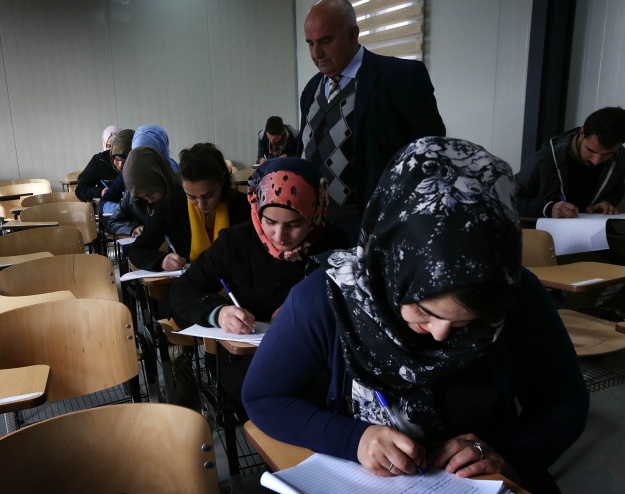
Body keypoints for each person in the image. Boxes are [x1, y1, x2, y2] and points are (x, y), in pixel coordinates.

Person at [242, 137, 589, 494]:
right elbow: (264, 397)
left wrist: (507, 454)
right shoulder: (328, 297)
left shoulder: (514, 292)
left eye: (466, 324)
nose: (440, 335)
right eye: (423, 311)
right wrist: (355, 438)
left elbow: (566, 400)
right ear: (388, 265)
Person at [169, 157, 349, 415]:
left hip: (318, 361)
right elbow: (182, 291)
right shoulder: (236, 242)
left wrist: (306, 311)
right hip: (250, 362)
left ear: (315, 212)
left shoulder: (334, 242)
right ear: (257, 210)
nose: (279, 237)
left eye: (294, 224)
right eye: (270, 222)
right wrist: (219, 313)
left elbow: (355, 306)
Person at [299, 0, 445, 237]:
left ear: (353, 33)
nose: (317, 53)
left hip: (374, 228)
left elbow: (431, 155)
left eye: (326, 41)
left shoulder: (401, 79)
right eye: (310, 44)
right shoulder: (311, 89)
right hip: (315, 227)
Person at [128, 143, 249, 271]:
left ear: (222, 180)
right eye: (191, 197)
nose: (201, 205)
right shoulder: (171, 207)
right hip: (189, 285)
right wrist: (162, 261)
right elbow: (137, 250)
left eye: (208, 195)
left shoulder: (243, 206)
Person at [516, 106, 625, 218]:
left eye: (607, 154)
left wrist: (606, 203)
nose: (596, 161)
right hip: (544, 233)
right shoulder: (544, 159)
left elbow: (617, 190)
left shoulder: (620, 158)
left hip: (589, 232)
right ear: (582, 132)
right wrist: (548, 208)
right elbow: (507, 201)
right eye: (591, 150)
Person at [105, 146, 180, 237]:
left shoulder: (182, 193)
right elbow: (113, 222)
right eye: (141, 197)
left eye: (150, 194)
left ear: (160, 179)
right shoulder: (132, 193)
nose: (149, 200)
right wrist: (133, 228)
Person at [74, 125, 120, 202]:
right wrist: (100, 192)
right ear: (104, 143)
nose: (112, 151)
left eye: (116, 146)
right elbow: (80, 190)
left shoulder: (132, 159)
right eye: (109, 146)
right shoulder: (99, 160)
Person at [97, 128, 135, 216]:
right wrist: (123, 209)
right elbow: (102, 203)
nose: (120, 165)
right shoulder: (123, 176)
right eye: (117, 159)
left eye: (125, 161)